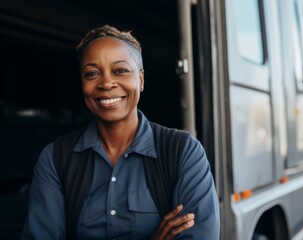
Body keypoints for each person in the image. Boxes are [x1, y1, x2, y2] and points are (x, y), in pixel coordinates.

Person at [21, 25, 220, 239]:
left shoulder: (183, 151)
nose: (106, 83)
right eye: (92, 73)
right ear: (82, 83)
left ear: (141, 80)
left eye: (120, 70)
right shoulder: (56, 159)